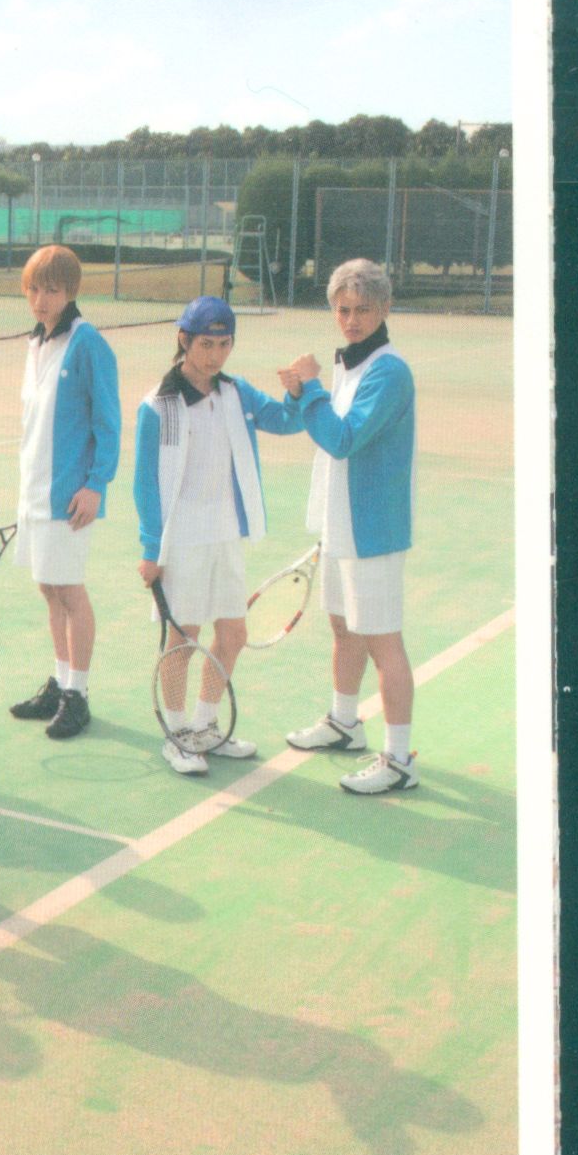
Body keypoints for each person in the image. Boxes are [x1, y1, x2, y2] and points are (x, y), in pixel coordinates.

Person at [134, 295, 306, 776]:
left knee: (233, 633)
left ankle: (205, 725)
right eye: (205, 344)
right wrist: (151, 549)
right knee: (184, 637)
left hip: (226, 532)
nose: (215, 355)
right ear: (184, 341)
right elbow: (145, 483)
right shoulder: (157, 405)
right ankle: (177, 734)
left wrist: (298, 393)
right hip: (182, 538)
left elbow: (286, 420)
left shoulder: (237, 392)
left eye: (224, 344)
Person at [278, 258, 418, 794]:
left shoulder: (389, 371)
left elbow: (342, 439)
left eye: (362, 309)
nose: (352, 320)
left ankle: (399, 760)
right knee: (343, 628)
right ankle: (344, 723)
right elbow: (324, 428)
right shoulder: (350, 364)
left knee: (383, 642)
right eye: (343, 310)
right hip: (340, 524)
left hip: (374, 530)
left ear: (385, 309)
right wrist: (302, 394)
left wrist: (311, 389)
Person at [9, 244, 120, 740]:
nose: (41, 300)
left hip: (69, 497)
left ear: (70, 291)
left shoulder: (88, 343)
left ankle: (78, 694)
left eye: (51, 290)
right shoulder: (35, 344)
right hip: (33, 493)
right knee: (49, 589)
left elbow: (109, 423)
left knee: (70, 591)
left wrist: (95, 486)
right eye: (34, 289)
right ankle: (59, 683)